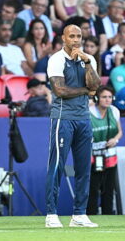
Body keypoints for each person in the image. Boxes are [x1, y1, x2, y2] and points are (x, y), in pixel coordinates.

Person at [45, 24, 101, 228]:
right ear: (63, 38)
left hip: (84, 118)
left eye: (79, 36)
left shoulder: (89, 59)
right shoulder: (56, 59)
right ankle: (51, 214)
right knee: (57, 166)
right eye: (72, 36)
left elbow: (95, 85)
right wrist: (86, 92)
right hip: (63, 117)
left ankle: (79, 214)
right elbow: (60, 90)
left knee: (84, 167)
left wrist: (87, 63)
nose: (76, 40)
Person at [87, 85, 123, 215]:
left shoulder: (114, 111)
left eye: (109, 97)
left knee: (109, 187)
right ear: (97, 98)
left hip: (110, 154)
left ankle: (108, 215)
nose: (107, 100)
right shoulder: (88, 112)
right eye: (104, 97)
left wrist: (115, 140)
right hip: (93, 155)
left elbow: (119, 132)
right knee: (93, 187)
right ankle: (91, 214)